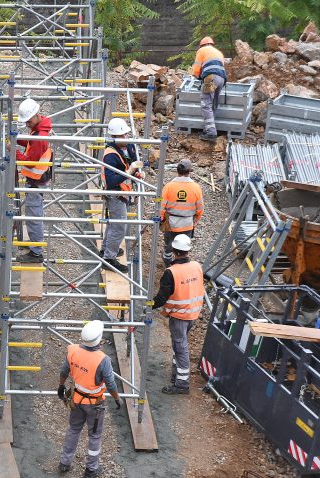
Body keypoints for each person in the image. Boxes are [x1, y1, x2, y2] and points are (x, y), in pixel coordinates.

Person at [57, 320, 122, 477]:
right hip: (95, 405)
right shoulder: (102, 359)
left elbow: (64, 371)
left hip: (76, 400)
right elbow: (110, 383)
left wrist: (61, 386)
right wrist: (117, 399)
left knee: (73, 429)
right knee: (94, 435)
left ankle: (64, 463)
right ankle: (91, 469)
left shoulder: (73, 351)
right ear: (99, 339)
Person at [151, 234, 204, 394]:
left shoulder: (171, 272)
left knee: (181, 348)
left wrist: (150, 304)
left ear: (174, 250)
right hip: (193, 314)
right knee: (178, 345)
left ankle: (182, 384)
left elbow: (162, 297)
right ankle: (177, 375)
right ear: (188, 250)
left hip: (180, 316)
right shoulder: (196, 266)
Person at [100, 118, 143, 274]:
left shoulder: (128, 146)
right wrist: (129, 173)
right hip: (115, 194)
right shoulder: (110, 155)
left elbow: (134, 159)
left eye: (126, 135)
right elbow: (111, 181)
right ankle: (109, 259)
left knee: (113, 224)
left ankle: (105, 249)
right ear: (114, 137)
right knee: (119, 227)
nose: (126, 138)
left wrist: (138, 170)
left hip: (123, 191)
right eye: (122, 136)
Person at [15, 98, 52, 263]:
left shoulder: (40, 136)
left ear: (36, 115)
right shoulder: (41, 127)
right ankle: (35, 247)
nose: (27, 124)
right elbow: (31, 142)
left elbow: (29, 160)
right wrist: (17, 139)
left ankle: (36, 252)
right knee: (34, 214)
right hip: (40, 179)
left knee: (33, 216)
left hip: (35, 182)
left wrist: (13, 151)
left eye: (28, 121)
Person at [160, 158, 203, 266]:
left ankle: (167, 263)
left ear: (177, 171)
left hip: (170, 222)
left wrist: (161, 219)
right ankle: (181, 265)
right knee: (183, 245)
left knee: (168, 244)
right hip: (187, 223)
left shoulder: (169, 186)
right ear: (189, 171)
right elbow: (200, 208)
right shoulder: (196, 187)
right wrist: (196, 220)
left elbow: (161, 206)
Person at [192, 36, 227, 142]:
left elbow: (196, 69)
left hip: (211, 78)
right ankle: (208, 129)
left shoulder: (202, 50)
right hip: (221, 79)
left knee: (205, 104)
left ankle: (211, 133)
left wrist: (197, 76)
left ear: (202, 45)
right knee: (213, 104)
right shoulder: (219, 52)